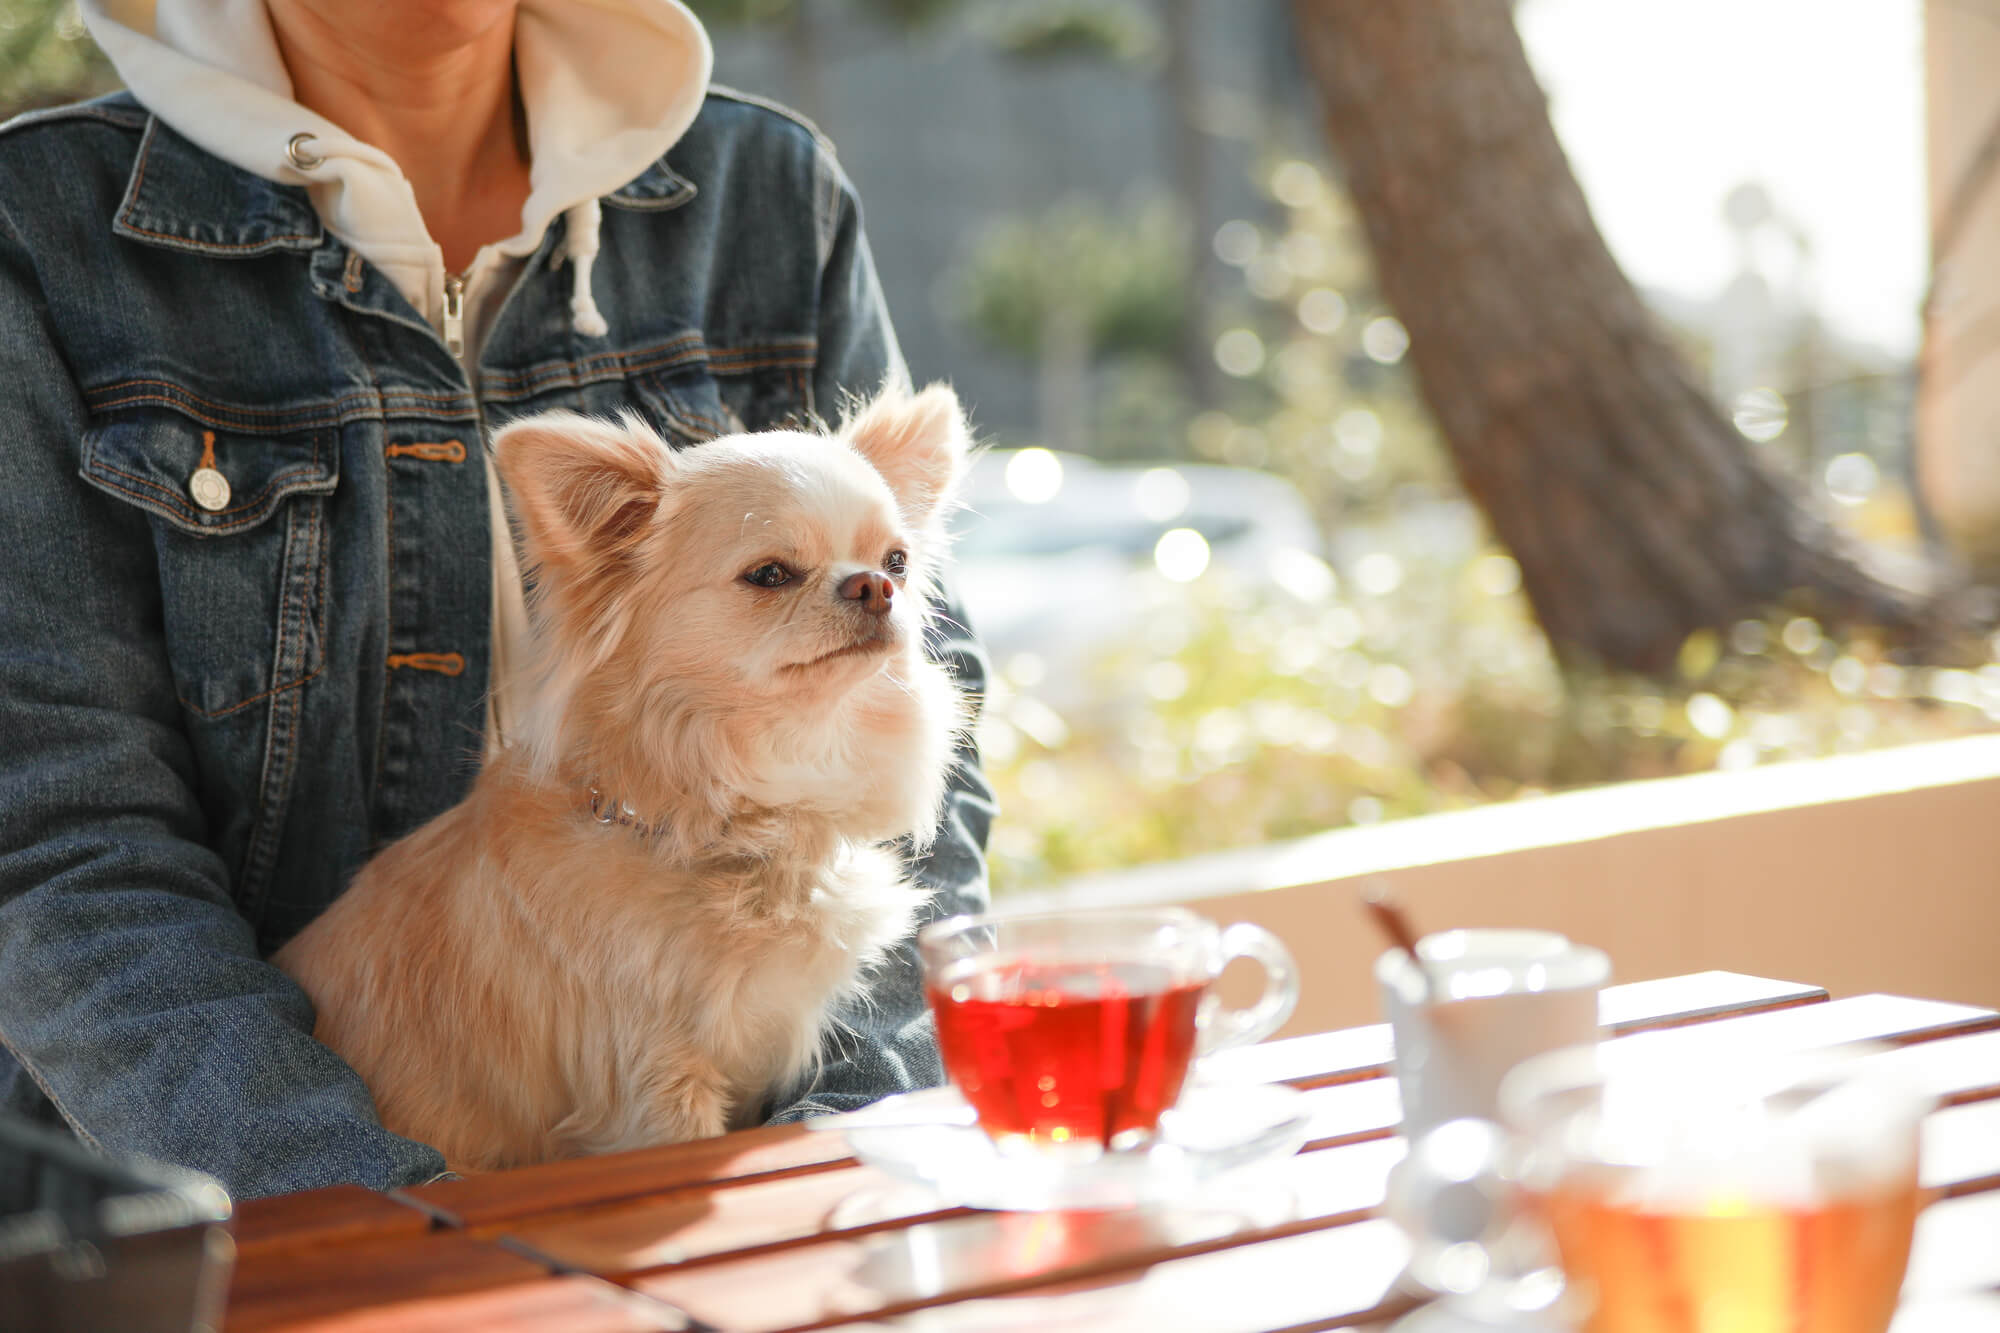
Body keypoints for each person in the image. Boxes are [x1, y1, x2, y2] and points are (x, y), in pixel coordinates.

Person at [0, 0, 993, 1199]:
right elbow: (62, 852)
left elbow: (915, 754)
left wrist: (828, 1180)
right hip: (221, 1219)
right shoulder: (44, 231)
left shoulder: (769, 193)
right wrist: (386, 1236)